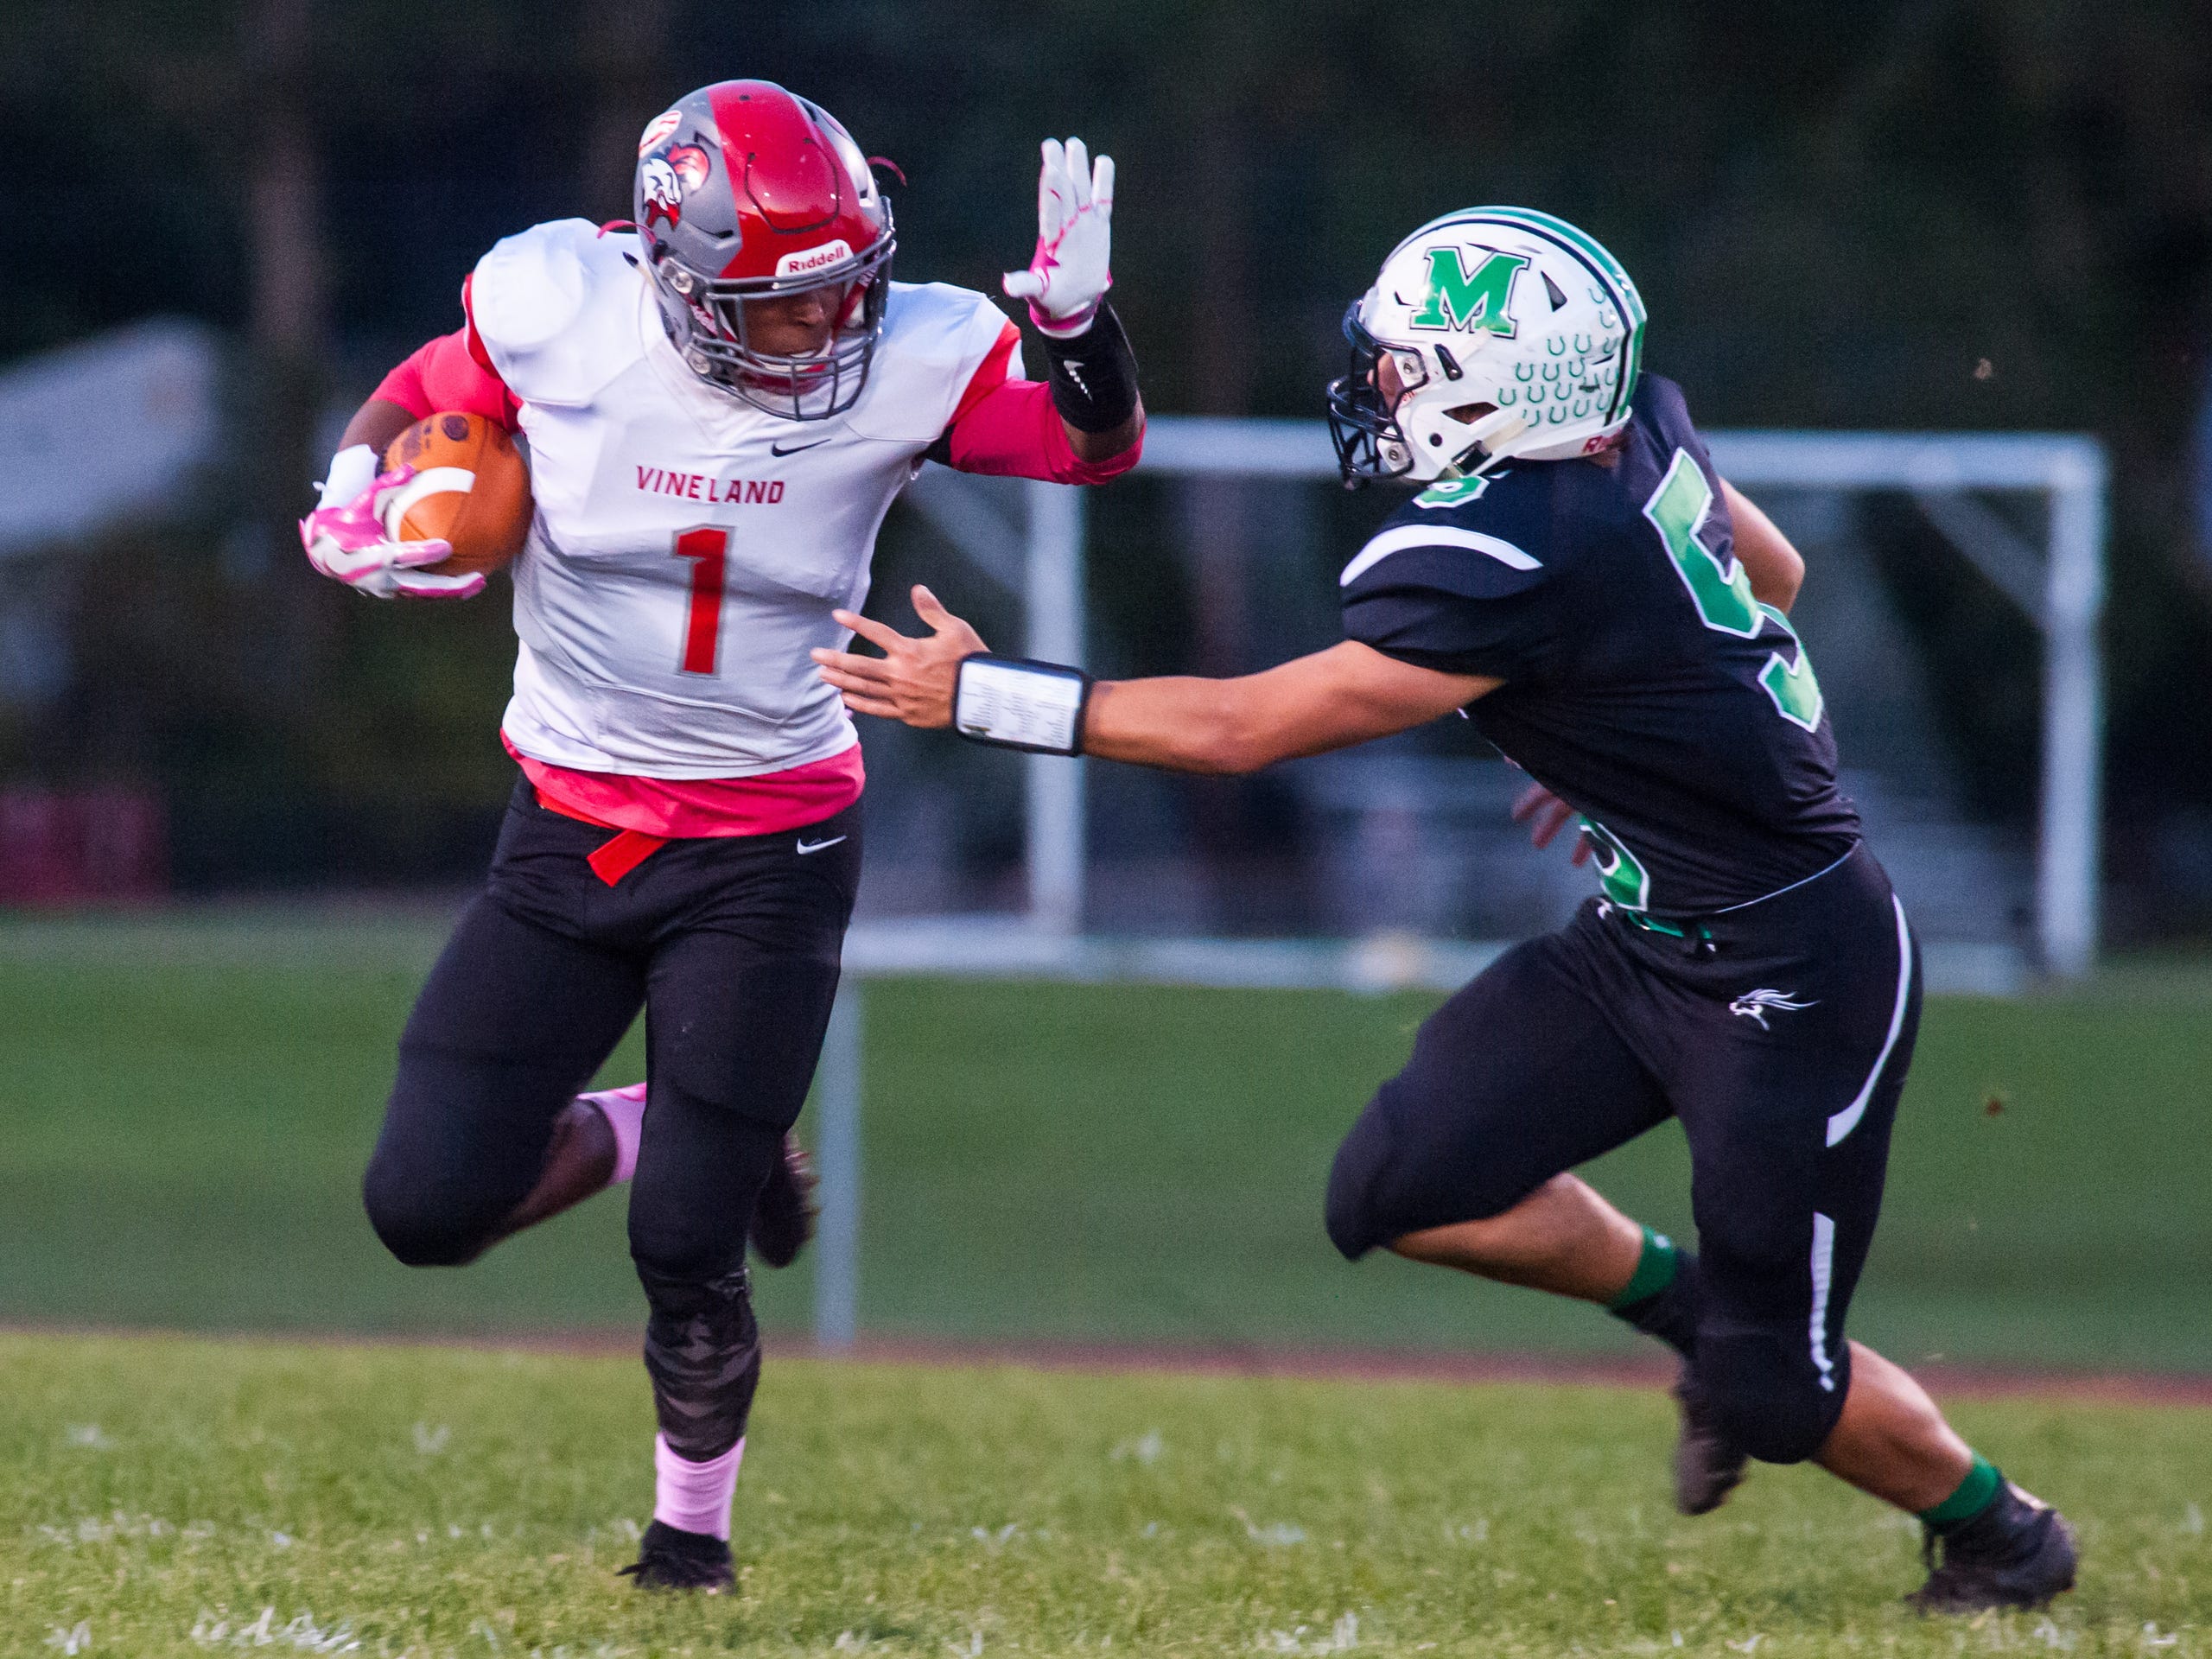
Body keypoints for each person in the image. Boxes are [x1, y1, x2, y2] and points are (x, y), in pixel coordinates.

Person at [810, 206, 2077, 1615]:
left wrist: (983, 696)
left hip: (1799, 970)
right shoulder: (1634, 427)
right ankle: (1690, 1311)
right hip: (1651, 940)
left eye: (1405, 364)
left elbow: (1242, 728)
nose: (1377, 385)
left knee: (1779, 1392)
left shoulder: (1521, 547)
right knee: (1401, 1190)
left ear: (1500, 387)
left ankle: (2007, 1536)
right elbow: (1768, 578)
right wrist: (1623, 734)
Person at [297, 80, 1144, 1592]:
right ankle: (656, 1121)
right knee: (421, 1208)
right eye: (784, 301)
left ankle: (689, 1544)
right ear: (674, 276)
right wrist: (353, 492)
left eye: (845, 288)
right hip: (570, 828)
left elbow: (1092, 450)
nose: (829, 326)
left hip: (771, 848)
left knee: (688, 1241)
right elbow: (423, 385)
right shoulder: (560, 304)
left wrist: (1079, 334)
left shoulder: (912, 354)